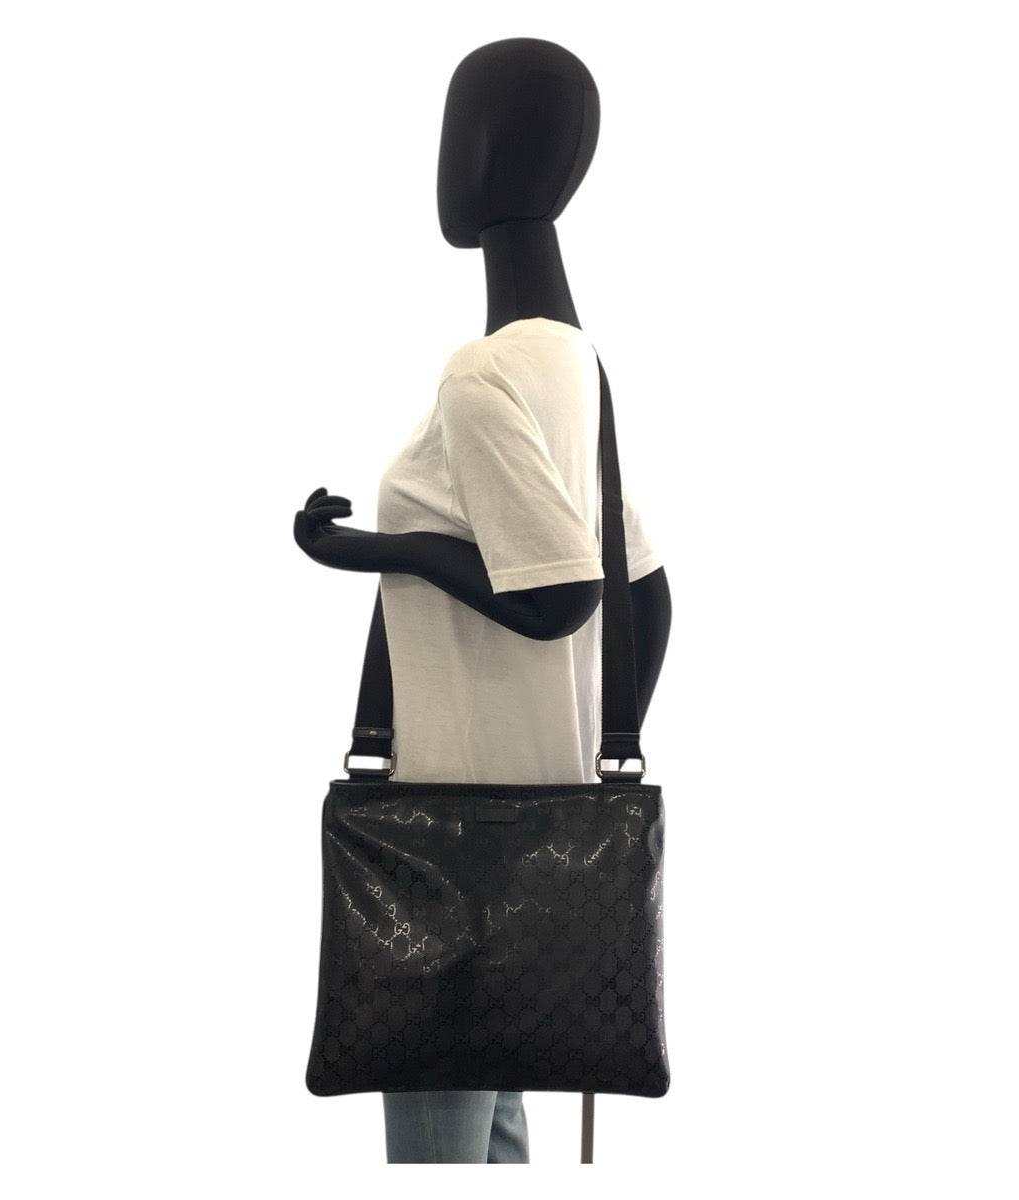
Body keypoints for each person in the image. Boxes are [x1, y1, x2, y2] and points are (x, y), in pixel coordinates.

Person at [294, 37, 671, 1164]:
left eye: (454, 130)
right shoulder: (579, 367)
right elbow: (647, 595)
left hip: (445, 837)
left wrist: (368, 549)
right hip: (548, 839)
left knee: (440, 1142)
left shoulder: (483, 370)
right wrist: (589, 752)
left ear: (487, 154)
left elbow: (562, 596)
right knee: (498, 1138)